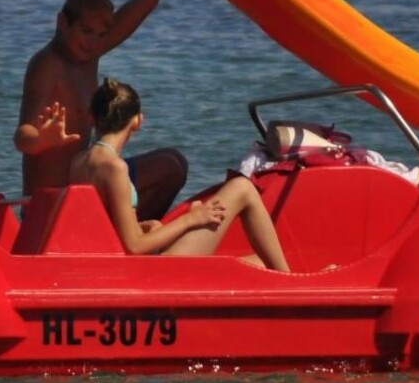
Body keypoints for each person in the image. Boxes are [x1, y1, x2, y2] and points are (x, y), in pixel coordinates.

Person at [13, 0, 186, 215]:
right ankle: (131, 236)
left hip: (83, 188)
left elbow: (145, 0)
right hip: (50, 207)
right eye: (86, 31)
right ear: (62, 22)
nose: (93, 41)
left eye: (101, 34)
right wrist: (40, 140)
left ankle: (130, 234)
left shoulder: (88, 54)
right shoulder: (47, 65)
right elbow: (21, 136)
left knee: (174, 163)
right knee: (169, 167)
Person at [73, 78, 290, 272]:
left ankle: (282, 278)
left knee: (259, 261)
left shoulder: (79, 161)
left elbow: (103, 228)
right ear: (138, 121)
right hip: (149, 272)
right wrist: (191, 219)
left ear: (92, 117)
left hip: (121, 264)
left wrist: (146, 227)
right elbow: (134, 246)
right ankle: (292, 283)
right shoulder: (115, 168)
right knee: (243, 188)